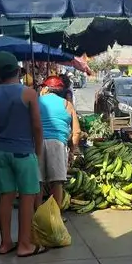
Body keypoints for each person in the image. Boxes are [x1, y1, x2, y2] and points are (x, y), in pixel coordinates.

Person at [0, 51, 46, 257]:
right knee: (27, 198)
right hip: (23, 151)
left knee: (6, 196)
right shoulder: (28, 93)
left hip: (0, 150)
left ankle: (5, 243)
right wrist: (37, 152)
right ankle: (24, 245)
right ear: (17, 70)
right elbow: (37, 127)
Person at [38, 76, 80, 209]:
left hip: (37, 143)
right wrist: (72, 151)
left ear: (45, 88)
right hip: (58, 144)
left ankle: (37, 214)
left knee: (37, 182)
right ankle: (55, 216)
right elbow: (77, 132)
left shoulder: (36, 101)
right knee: (57, 182)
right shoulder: (67, 105)